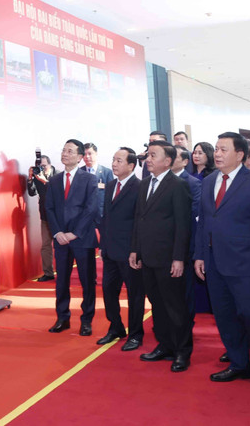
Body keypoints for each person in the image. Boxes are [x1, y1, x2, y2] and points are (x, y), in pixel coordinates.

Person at [194, 132, 250, 386]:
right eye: (216, 149)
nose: (217, 154)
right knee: (225, 317)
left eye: (223, 149)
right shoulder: (209, 181)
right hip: (214, 262)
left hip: (246, 265)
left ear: (240, 154)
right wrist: (200, 255)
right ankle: (238, 363)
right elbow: (203, 222)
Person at [129, 141, 193, 373]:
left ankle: (182, 351)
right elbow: (139, 218)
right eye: (148, 155)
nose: (148, 159)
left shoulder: (178, 185)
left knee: (175, 306)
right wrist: (135, 249)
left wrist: (178, 258)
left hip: (168, 258)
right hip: (148, 256)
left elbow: (183, 225)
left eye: (153, 155)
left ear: (167, 161)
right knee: (157, 304)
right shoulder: (145, 183)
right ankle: (165, 345)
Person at [44, 139, 100, 336]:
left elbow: (91, 209)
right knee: (61, 281)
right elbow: (49, 208)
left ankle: (87, 320)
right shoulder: (54, 180)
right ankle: (62, 318)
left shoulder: (89, 179)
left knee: (87, 281)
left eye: (70, 151)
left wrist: (74, 233)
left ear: (79, 157)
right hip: (60, 239)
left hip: (82, 238)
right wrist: (58, 232)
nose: (65, 154)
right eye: (63, 150)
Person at [96, 147, 145, 350]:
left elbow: (140, 222)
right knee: (108, 291)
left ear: (131, 165)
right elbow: (106, 218)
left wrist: (136, 250)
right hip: (109, 250)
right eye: (113, 159)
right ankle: (115, 327)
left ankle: (135, 334)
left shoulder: (140, 187)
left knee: (135, 295)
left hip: (130, 252)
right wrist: (102, 245)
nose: (114, 164)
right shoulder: (110, 186)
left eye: (119, 161)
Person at [172, 146, 202, 324]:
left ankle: (186, 323)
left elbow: (193, 213)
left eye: (174, 156)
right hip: (164, 244)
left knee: (185, 288)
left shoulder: (192, 183)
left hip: (185, 243)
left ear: (185, 161)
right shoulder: (160, 181)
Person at [27, 154, 56, 282]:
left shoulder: (58, 175)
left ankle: (64, 272)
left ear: (50, 164)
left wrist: (44, 180)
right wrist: (30, 179)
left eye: (44, 166)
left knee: (61, 246)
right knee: (45, 245)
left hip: (59, 217)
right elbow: (32, 192)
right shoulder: (37, 175)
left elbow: (57, 193)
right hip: (45, 215)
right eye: (39, 166)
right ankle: (48, 273)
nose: (42, 168)